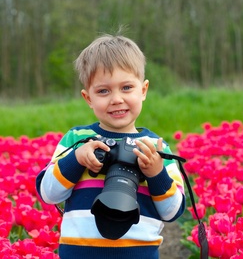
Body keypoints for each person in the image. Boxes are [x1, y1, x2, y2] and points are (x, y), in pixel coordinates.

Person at [36, 33, 186, 259]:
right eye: (103, 91)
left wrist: (155, 172)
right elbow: (48, 194)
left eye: (126, 87)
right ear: (88, 98)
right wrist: (76, 158)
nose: (116, 99)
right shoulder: (76, 139)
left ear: (143, 90)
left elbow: (172, 211)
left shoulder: (156, 147)